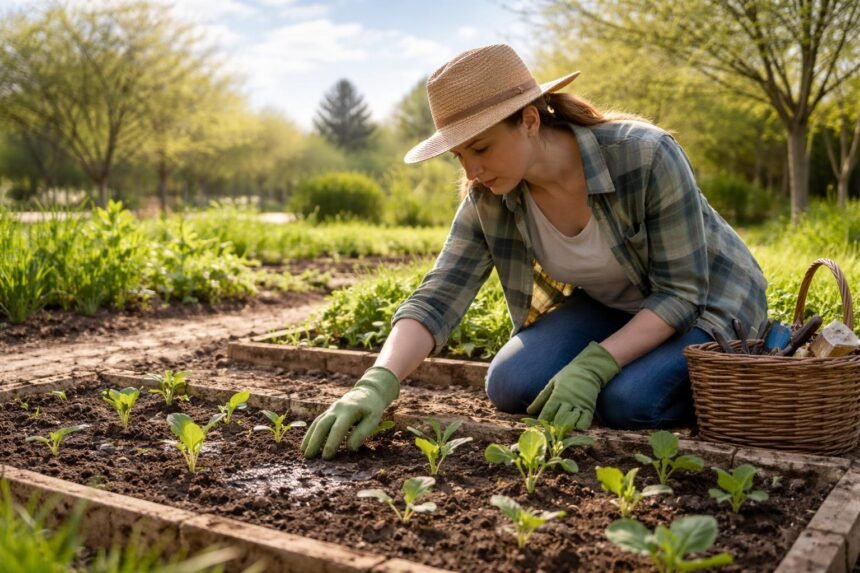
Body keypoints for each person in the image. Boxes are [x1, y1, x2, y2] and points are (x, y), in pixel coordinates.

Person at [301, 43, 769, 460]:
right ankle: (628, 364)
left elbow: (680, 292)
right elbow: (440, 293)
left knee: (631, 402)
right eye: (459, 155)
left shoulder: (644, 156)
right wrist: (377, 381)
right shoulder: (490, 196)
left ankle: (768, 344)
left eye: (481, 147)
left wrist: (594, 365)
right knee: (512, 382)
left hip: (708, 302)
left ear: (528, 120)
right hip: (617, 308)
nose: (472, 169)